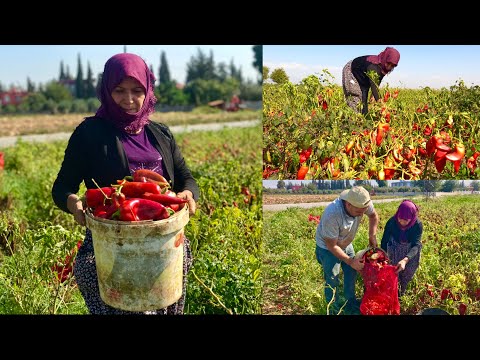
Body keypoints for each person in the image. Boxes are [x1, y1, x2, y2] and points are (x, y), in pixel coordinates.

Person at [52, 52, 200, 315]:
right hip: (113, 245)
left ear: (148, 90)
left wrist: (188, 194)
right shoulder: (89, 134)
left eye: (137, 90)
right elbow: (62, 187)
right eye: (119, 90)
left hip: (163, 243)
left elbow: (185, 176)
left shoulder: (161, 133)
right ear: (106, 90)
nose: (129, 99)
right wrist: (75, 205)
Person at [315, 186, 379, 314]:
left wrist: (372, 235)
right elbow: (332, 246)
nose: (361, 215)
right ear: (348, 204)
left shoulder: (362, 202)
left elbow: (373, 215)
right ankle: (332, 308)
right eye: (359, 212)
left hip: (346, 242)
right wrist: (350, 261)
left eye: (363, 211)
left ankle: (349, 301)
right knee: (333, 278)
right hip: (328, 248)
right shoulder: (332, 214)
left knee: (352, 271)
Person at [380, 199, 422, 296]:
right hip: (394, 249)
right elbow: (384, 240)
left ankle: (401, 294)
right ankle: (393, 293)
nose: (402, 222)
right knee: (393, 272)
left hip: (410, 251)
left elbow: (416, 245)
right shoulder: (392, 222)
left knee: (406, 274)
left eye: (406, 220)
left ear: (411, 218)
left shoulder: (417, 225)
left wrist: (405, 260)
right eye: (400, 218)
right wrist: (384, 256)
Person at [342, 47, 400, 115]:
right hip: (352, 71)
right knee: (355, 98)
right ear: (385, 58)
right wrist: (382, 105)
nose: (389, 67)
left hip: (363, 78)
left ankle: (363, 120)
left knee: (364, 104)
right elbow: (374, 86)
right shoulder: (373, 66)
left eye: (393, 66)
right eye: (389, 63)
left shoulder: (384, 68)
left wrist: (373, 96)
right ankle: (352, 122)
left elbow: (377, 82)